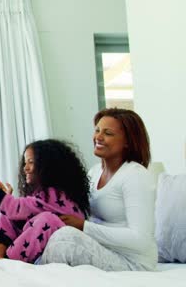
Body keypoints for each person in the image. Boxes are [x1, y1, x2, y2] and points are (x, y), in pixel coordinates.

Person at [40, 108, 157, 271]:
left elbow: (141, 239)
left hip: (133, 261)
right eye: (97, 130)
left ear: (128, 141)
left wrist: (84, 227)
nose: (98, 137)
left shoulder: (135, 176)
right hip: (102, 249)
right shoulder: (94, 172)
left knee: (65, 240)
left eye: (108, 133)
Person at [0, 139, 91, 263]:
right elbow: (16, 211)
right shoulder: (42, 195)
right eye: (25, 163)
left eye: (31, 162)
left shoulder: (56, 195)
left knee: (46, 219)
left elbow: (15, 208)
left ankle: (7, 262)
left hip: (63, 242)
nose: (25, 168)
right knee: (10, 215)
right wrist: (6, 201)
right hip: (42, 244)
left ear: (48, 166)